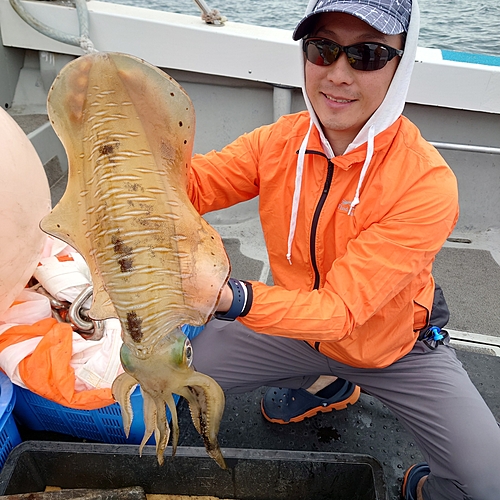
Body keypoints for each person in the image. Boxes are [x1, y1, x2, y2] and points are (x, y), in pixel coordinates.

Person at [187, 0, 500, 498]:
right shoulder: (278, 142)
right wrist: (137, 154)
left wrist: (233, 299)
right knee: (166, 384)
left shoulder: (426, 183)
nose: (337, 74)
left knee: (486, 485)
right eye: (323, 48)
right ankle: (324, 384)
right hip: (287, 328)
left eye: (368, 55)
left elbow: (340, 312)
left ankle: (420, 485)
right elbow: (196, 186)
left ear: (401, 65)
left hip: (395, 349)